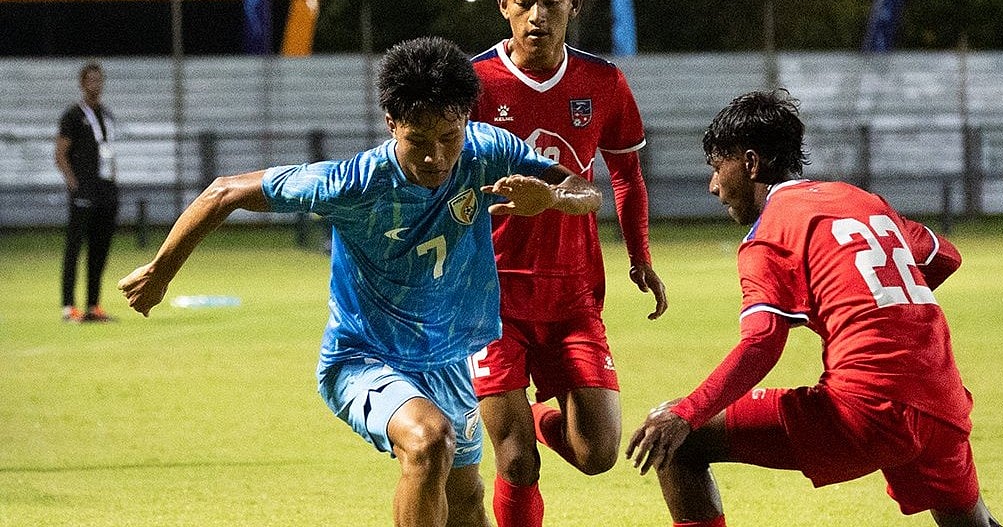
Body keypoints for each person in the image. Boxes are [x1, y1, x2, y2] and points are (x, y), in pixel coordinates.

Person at [117, 36, 602, 527]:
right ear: (392, 124)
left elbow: (585, 189)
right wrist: (160, 272)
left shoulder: (486, 150)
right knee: (428, 439)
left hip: (450, 359)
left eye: (448, 137)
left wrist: (555, 199)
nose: (436, 157)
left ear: (466, 121)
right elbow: (225, 191)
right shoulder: (353, 183)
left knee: (466, 500)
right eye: (418, 140)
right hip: (363, 358)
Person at [625, 89, 1003, 527]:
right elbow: (944, 257)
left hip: (866, 408)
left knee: (678, 442)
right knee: (970, 522)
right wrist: (860, 305)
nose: (714, 186)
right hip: (943, 401)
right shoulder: (860, 199)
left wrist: (687, 413)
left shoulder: (769, 233)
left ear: (750, 163)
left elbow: (762, 344)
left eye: (717, 167)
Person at [469, 0, 667, 527]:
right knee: (516, 463)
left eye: (551, 0)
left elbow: (627, 176)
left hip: (575, 296)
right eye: (525, 0)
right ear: (503, 2)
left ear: (573, 4)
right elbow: (441, 185)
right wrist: (499, 206)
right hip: (491, 300)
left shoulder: (601, 82)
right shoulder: (473, 84)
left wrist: (640, 257)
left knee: (599, 452)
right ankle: (519, 434)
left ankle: (539, 416)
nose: (538, 15)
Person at [55, 61, 119, 323]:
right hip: (84, 191)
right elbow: (60, 154)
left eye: (99, 79)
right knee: (74, 249)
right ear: (82, 84)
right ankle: (68, 307)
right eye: (90, 80)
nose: (96, 84)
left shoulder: (107, 114)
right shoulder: (73, 115)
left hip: (106, 190)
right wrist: (73, 183)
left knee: (99, 250)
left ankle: (93, 305)